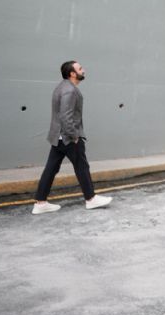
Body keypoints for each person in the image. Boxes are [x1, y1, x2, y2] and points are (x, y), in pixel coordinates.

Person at [32, 61, 112, 214]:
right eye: (80, 69)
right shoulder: (70, 91)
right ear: (72, 74)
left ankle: (40, 203)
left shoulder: (61, 87)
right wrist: (74, 136)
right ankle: (91, 199)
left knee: (51, 169)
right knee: (82, 167)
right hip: (68, 137)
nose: (84, 70)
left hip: (58, 137)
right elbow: (65, 116)